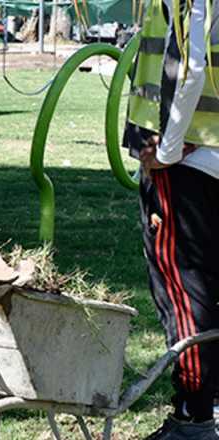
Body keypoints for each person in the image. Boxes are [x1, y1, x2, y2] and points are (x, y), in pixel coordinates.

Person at [124, 0, 219, 437]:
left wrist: (164, 151)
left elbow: (191, 66)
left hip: (187, 162)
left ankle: (193, 416)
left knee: (185, 291)